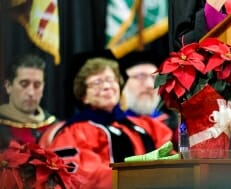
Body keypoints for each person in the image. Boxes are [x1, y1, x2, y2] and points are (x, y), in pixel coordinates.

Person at [48, 51, 174, 189]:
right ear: (83, 95)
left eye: (111, 80)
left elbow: (172, 159)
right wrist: (139, 179)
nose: (107, 86)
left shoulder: (147, 126)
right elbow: (86, 175)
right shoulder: (74, 132)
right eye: (97, 82)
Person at [0, 53, 61, 148]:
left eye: (37, 85)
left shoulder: (55, 127)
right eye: (24, 84)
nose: (31, 93)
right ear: (8, 86)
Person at [119, 50, 179, 145]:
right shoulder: (112, 125)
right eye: (140, 76)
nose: (150, 85)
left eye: (155, 78)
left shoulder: (174, 124)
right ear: (121, 82)